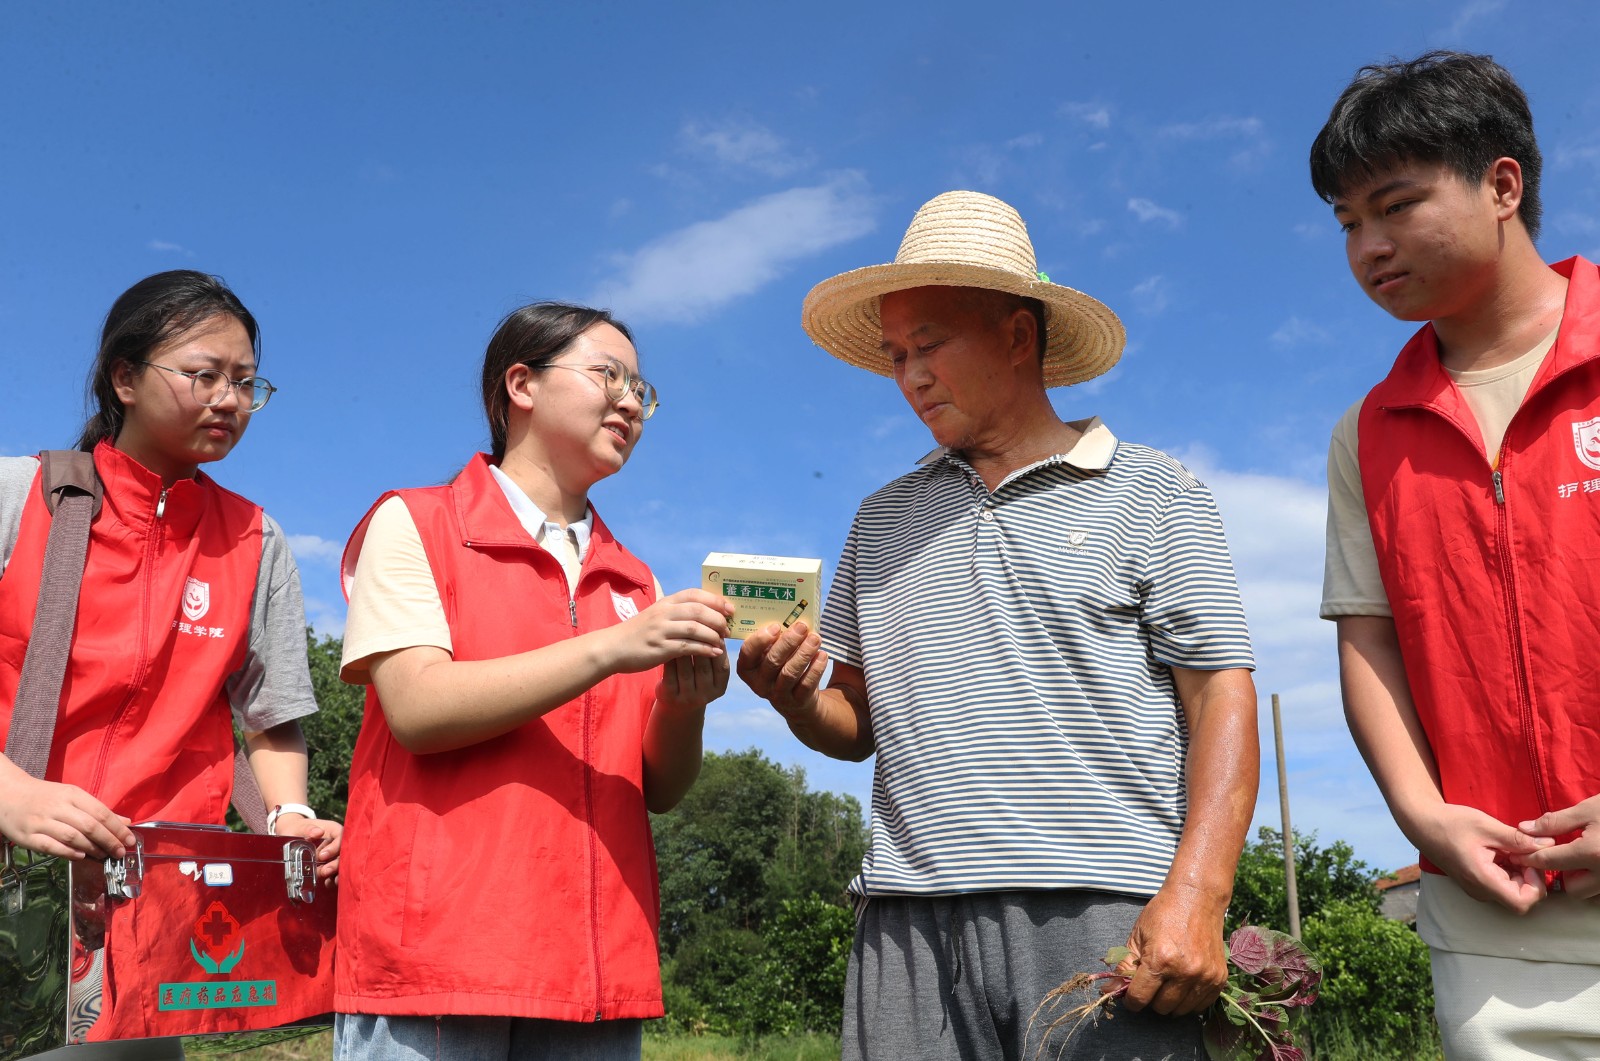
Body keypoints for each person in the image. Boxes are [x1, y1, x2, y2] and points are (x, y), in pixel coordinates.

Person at [739, 191, 1260, 1061]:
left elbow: (1220, 699)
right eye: (897, 354)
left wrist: (1200, 894)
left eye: (930, 345)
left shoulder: (1157, 492)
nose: (909, 375)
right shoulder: (882, 517)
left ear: (1020, 337)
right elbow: (855, 721)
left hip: (1102, 913)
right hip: (907, 919)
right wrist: (794, 698)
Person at [333, 301, 733, 1061]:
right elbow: (418, 705)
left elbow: (660, 786)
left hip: (595, 979)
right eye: (607, 375)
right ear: (521, 383)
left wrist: (683, 706)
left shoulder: (634, 579)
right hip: (437, 971)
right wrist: (615, 647)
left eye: (642, 391)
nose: (629, 402)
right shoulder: (415, 523)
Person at [1312, 51, 1600, 1055]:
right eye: (1347, 223)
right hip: (1495, 924)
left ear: (1501, 184)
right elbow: (1369, 642)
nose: (1367, 246)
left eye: (1393, 205)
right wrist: (1422, 814)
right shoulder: (1367, 430)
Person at [0, 269, 341, 866]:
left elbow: (271, 717)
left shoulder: (256, 539)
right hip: (22, 874)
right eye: (204, 375)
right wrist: (13, 793)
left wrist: (291, 816)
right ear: (125, 378)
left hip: (169, 882)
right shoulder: (20, 494)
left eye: (244, 382)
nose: (229, 400)